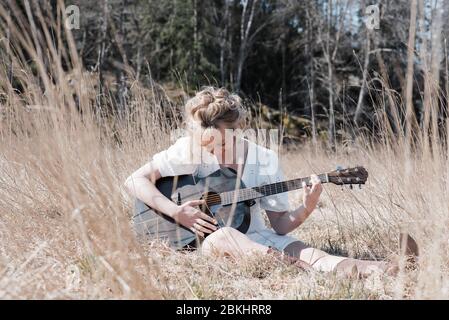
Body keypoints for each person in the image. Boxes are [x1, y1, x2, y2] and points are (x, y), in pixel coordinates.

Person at [124, 86, 417, 277]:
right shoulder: (188, 148)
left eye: (218, 141)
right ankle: (300, 272)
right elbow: (135, 180)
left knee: (311, 252)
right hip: (201, 242)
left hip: (256, 237)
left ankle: (387, 269)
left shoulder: (263, 160)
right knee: (225, 236)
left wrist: (307, 207)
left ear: (236, 130)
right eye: (204, 140)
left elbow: (280, 225)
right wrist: (176, 212)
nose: (209, 147)